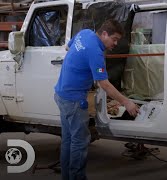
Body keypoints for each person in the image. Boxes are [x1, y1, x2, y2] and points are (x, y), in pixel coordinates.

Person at [54, 19, 140, 180]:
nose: (115, 44)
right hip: (74, 100)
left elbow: (68, 47)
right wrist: (127, 102)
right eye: (114, 39)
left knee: (68, 139)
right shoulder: (95, 51)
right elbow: (105, 84)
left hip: (61, 94)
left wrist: (81, 66)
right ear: (105, 34)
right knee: (80, 142)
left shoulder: (85, 33)